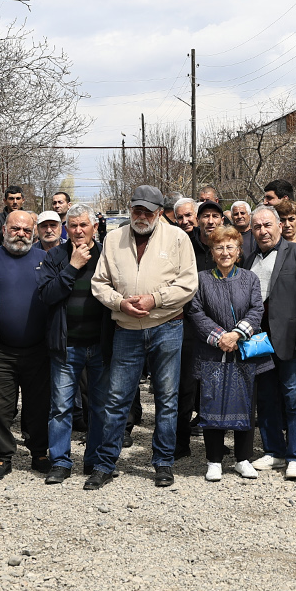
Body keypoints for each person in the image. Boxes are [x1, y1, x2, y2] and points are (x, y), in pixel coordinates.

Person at [87, 186, 198, 490]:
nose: (141, 216)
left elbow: (188, 284)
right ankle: (105, 464)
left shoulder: (178, 238)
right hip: (126, 329)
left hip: (167, 327)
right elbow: (100, 283)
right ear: (130, 209)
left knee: (167, 399)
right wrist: (119, 303)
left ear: (160, 213)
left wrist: (155, 299)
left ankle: (163, 462)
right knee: (116, 400)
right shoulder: (113, 239)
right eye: (137, 210)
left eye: (148, 211)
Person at [244, 204, 296, 479]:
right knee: (266, 399)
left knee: (295, 399)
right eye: (257, 227)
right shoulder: (248, 259)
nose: (263, 231)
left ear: (279, 225)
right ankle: (274, 450)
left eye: (267, 225)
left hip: (292, 341)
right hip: (259, 342)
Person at [187, 224, 267, 480]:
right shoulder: (201, 279)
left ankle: (243, 458)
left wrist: (236, 335)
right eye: (219, 247)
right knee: (211, 403)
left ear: (239, 250)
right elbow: (195, 312)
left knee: (246, 404)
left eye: (230, 247)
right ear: (212, 252)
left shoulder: (250, 278)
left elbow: (257, 309)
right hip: (212, 351)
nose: (224, 252)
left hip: (243, 350)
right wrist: (220, 337)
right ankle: (214, 460)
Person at [0, 210, 53, 480]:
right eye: (15, 229)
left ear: (33, 233)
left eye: (26, 230)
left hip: (39, 349)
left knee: (39, 406)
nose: (20, 234)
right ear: (4, 230)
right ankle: (2, 456)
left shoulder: (46, 259)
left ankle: (39, 452)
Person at [42, 202, 109, 484]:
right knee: (61, 407)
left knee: (100, 406)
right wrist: (72, 266)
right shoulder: (55, 256)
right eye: (73, 226)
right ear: (65, 229)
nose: (78, 230)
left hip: (101, 344)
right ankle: (60, 461)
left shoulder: (107, 254)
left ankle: (94, 460)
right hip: (66, 345)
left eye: (83, 225)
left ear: (94, 226)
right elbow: (47, 295)